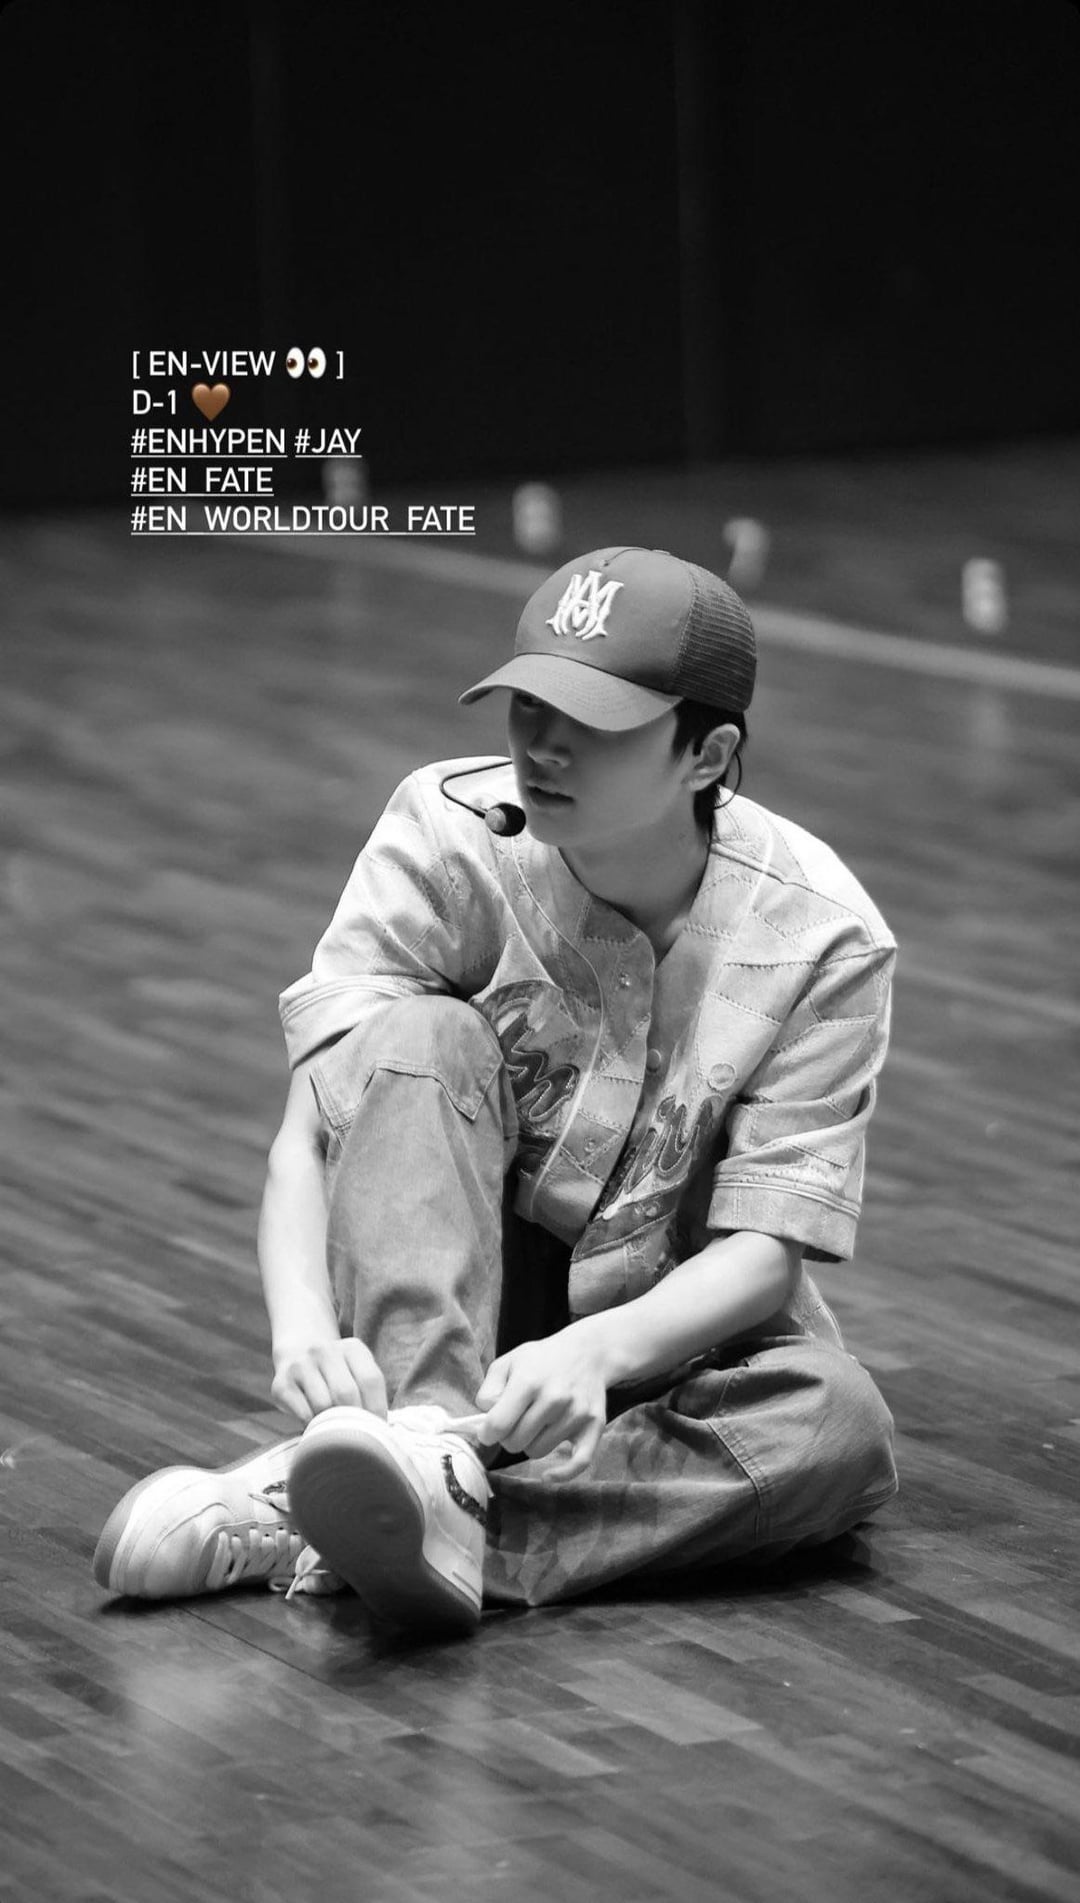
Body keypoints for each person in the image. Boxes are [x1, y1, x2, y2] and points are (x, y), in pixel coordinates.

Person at [93, 546, 899, 1634]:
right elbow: (309, 1135)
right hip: (454, 1312)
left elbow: (764, 1252)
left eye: (596, 722)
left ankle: (344, 1519)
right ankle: (423, 1452)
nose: (543, 745)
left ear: (707, 754)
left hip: (665, 1346)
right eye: (528, 704)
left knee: (839, 1427)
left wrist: (597, 1350)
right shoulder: (443, 834)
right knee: (420, 1034)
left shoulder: (823, 935)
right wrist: (302, 1333)